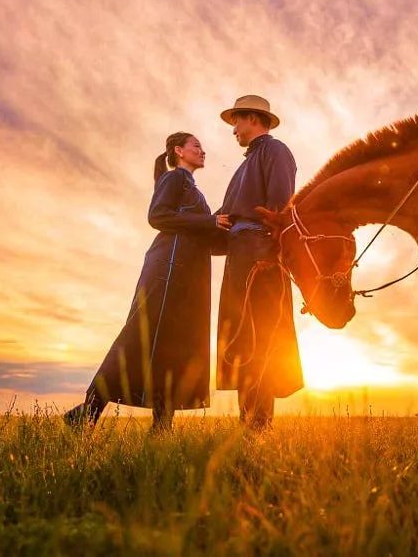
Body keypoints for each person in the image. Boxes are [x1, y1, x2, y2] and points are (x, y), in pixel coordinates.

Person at [64, 132, 226, 431]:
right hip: (165, 271)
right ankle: (86, 412)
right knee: (137, 338)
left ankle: (161, 428)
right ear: (179, 151)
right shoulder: (174, 179)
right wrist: (209, 222)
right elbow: (157, 216)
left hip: (185, 277)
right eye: (196, 146)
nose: (203, 151)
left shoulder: (192, 188)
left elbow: (202, 237)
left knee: (173, 348)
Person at [214, 95, 303, 428]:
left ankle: (259, 423)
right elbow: (224, 218)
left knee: (263, 333)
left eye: (236, 121)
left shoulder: (275, 150)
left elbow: (281, 205)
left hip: (261, 254)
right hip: (239, 256)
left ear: (252, 118)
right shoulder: (243, 164)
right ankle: (247, 420)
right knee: (240, 335)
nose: (233, 129)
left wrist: (270, 252)